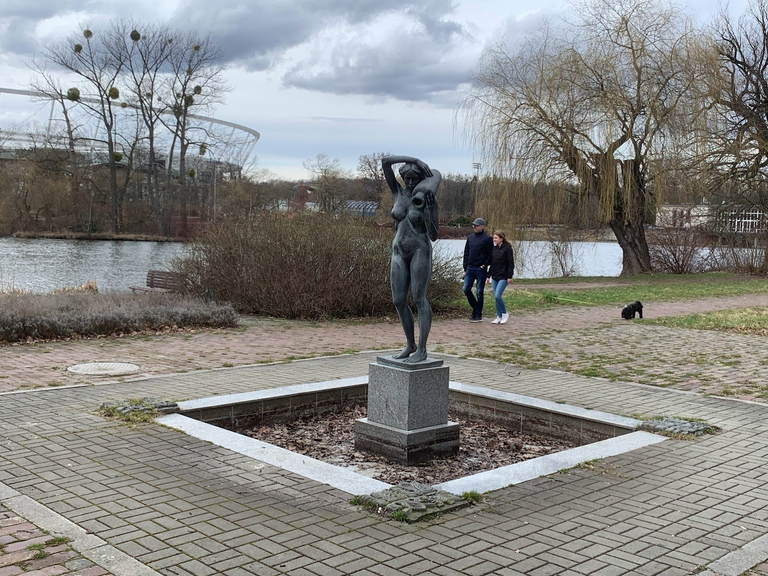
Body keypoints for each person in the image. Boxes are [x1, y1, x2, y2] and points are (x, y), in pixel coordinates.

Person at [381, 155, 442, 363]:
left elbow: (434, 235)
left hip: (419, 250)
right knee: (398, 300)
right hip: (398, 251)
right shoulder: (397, 192)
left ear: (420, 178)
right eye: (406, 177)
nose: (409, 181)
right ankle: (410, 344)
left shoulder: (426, 197)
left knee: (419, 298)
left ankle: (422, 349)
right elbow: (386, 161)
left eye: (414, 177)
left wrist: (428, 212)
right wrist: (416, 160)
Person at [463, 217, 493, 322]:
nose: (474, 227)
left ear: (482, 226)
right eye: (474, 225)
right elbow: (466, 252)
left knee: (479, 291)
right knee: (466, 289)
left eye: (476, 225)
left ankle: (478, 314)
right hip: (470, 268)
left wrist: (484, 265)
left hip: (480, 268)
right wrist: (465, 266)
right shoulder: (470, 238)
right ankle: (476, 308)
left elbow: (490, 254)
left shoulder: (487, 239)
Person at [488, 230, 514, 324]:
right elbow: (492, 263)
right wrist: (488, 276)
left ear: (501, 238)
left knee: (497, 295)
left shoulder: (507, 248)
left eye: (496, 238)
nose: (494, 240)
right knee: (495, 297)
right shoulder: (494, 249)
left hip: (503, 276)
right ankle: (498, 316)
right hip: (495, 276)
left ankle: (504, 313)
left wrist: (510, 276)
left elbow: (511, 263)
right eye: (493, 238)